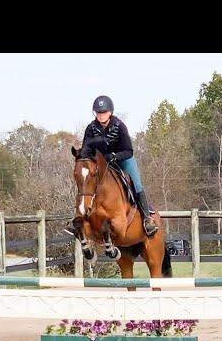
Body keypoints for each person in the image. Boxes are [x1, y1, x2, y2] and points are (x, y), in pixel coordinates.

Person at [68, 95, 159, 237]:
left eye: (103, 112)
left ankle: (147, 218)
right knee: (86, 182)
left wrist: (115, 156)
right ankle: (79, 218)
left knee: (137, 184)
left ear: (110, 112)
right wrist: (81, 155)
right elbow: (86, 149)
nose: (101, 115)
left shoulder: (120, 126)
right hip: (100, 163)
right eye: (98, 112)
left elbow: (129, 151)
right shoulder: (91, 128)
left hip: (122, 159)